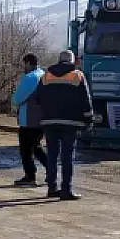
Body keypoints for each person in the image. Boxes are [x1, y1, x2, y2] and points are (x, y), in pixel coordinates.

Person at [36, 49, 93, 200]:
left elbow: (37, 98)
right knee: (67, 156)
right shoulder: (77, 75)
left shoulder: (46, 76)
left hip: (49, 121)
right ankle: (66, 190)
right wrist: (89, 119)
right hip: (70, 122)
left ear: (59, 60)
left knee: (52, 155)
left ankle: (51, 188)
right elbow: (85, 100)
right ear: (73, 61)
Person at [10, 53, 47, 187]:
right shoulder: (43, 75)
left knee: (26, 149)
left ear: (28, 63)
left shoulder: (30, 77)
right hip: (41, 117)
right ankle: (51, 171)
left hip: (29, 118)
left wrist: (14, 100)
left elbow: (17, 98)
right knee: (36, 147)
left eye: (24, 64)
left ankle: (30, 177)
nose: (23, 67)